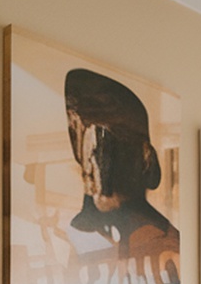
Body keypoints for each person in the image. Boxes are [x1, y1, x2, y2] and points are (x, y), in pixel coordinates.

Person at [64, 68, 180, 268]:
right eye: (83, 148)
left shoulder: (166, 245)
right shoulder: (81, 243)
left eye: (107, 146)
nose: (92, 167)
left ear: (146, 157)